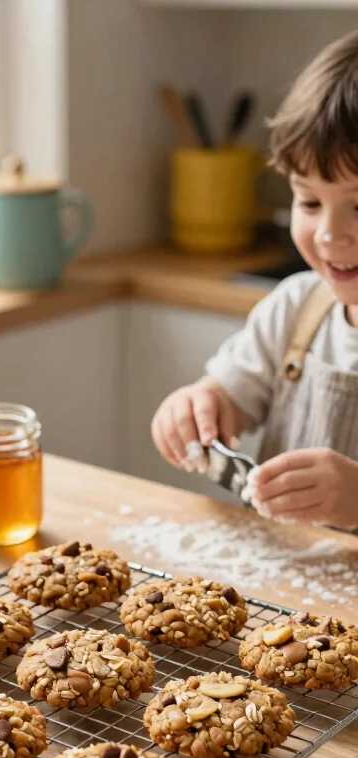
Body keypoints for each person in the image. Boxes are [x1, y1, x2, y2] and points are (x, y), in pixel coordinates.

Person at [152, 31, 358, 532]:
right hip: (281, 596)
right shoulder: (295, 309)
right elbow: (227, 396)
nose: (330, 236)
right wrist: (197, 408)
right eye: (309, 202)